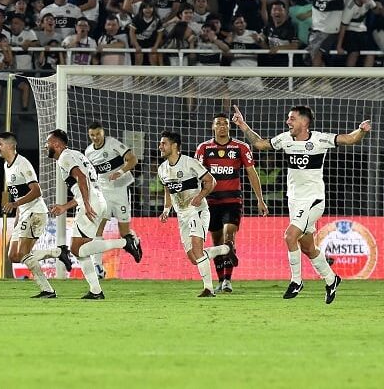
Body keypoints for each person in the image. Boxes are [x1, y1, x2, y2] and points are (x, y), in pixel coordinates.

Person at [231, 105, 372, 304]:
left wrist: (362, 130)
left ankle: (296, 281)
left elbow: (350, 139)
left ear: (304, 122)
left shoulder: (319, 140)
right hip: (294, 200)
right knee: (308, 247)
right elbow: (260, 144)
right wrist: (243, 125)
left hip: (313, 200)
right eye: (288, 118)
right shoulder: (285, 139)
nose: (288, 122)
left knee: (289, 236)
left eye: (292, 118)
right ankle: (332, 279)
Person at [45, 129, 139, 299]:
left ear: (57, 145)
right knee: (81, 249)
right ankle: (96, 291)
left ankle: (125, 242)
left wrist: (86, 204)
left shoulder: (65, 157)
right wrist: (66, 206)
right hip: (97, 198)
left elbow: (81, 177)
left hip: (92, 202)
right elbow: (84, 184)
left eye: (48, 142)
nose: (46, 145)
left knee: (76, 249)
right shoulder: (77, 154)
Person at [195, 114, 268, 294]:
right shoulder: (203, 148)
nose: (222, 126)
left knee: (229, 236)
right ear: (213, 127)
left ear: (229, 127)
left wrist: (260, 199)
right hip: (211, 202)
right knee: (218, 241)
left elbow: (252, 173)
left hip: (232, 201)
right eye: (218, 123)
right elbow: (196, 175)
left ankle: (228, 280)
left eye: (225, 124)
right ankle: (221, 279)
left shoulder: (240, 147)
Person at [158, 130, 235, 298]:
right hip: (182, 216)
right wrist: (166, 208)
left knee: (198, 251)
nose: (160, 147)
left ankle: (208, 289)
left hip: (197, 212)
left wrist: (200, 196)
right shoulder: (162, 169)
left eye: (164, 143)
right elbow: (168, 189)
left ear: (174, 146)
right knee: (194, 258)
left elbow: (211, 181)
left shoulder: (189, 163)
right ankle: (226, 248)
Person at [0, 132, 73, 298]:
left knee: (24, 254)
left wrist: (15, 204)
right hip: (23, 213)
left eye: (0, 144)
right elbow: (17, 194)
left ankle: (47, 290)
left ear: (10, 146)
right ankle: (58, 252)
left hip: (35, 213)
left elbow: (37, 191)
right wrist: (17, 216)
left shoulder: (22, 164)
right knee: (14, 256)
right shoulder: (6, 166)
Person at [84, 122, 143, 278]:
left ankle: (134, 240)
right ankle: (98, 268)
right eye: (92, 135)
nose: (96, 137)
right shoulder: (88, 152)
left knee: (124, 232)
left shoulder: (112, 143)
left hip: (121, 188)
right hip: (103, 192)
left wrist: (121, 172)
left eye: (98, 134)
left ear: (103, 133)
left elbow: (132, 159)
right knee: (98, 228)